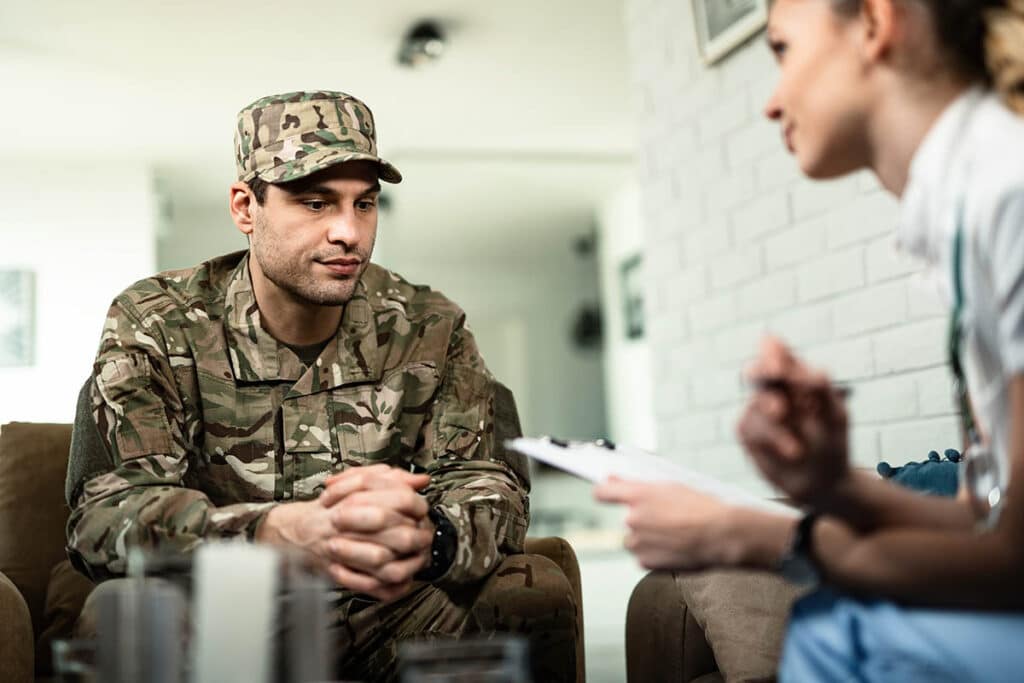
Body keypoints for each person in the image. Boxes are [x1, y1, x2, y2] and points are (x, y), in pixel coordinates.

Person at [65, 90, 577, 682]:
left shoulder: (430, 327)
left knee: (527, 597)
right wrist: (267, 532)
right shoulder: (157, 321)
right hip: (215, 614)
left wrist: (431, 536)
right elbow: (105, 515)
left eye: (364, 204)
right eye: (315, 202)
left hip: (387, 612)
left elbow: (488, 483)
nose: (348, 232)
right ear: (244, 207)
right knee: (120, 615)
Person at [597, 0, 1024, 679]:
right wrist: (832, 485)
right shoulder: (973, 203)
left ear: (876, 25)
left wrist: (747, 532)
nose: (771, 103)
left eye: (781, 49)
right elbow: (987, 519)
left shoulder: (1008, 192)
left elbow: (1010, 560)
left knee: (842, 631)